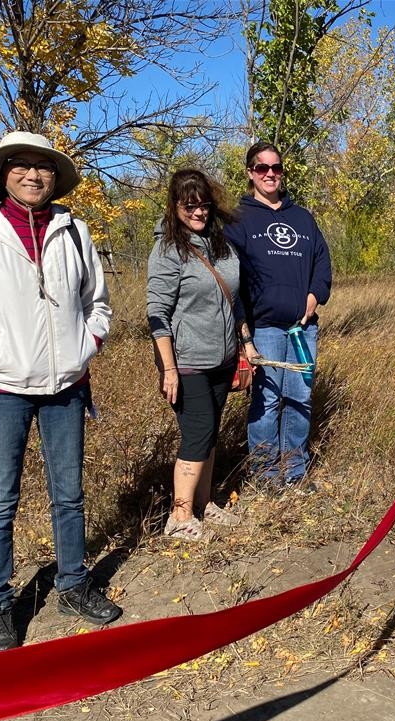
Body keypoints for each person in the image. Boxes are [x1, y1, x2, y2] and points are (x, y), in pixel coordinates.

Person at [0, 131, 122, 653]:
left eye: (44, 166)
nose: (33, 174)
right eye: (21, 165)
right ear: (3, 174)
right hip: (2, 389)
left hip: (66, 388)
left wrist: (86, 344)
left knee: (69, 494)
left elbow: (98, 303)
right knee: (0, 501)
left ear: (56, 177)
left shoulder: (73, 231)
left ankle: (73, 585)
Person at [147, 168, 251, 541]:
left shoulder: (220, 245)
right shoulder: (168, 250)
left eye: (204, 204)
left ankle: (204, 505)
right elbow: (157, 312)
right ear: (174, 206)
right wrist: (169, 369)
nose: (198, 212)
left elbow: (235, 301)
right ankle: (179, 517)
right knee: (198, 432)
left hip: (223, 358)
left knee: (210, 434)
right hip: (186, 361)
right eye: (189, 206)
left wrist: (246, 344)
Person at [225, 141, 332, 492]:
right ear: (250, 172)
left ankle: (294, 472)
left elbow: (322, 263)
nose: (270, 174)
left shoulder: (302, 218)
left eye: (276, 168)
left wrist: (314, 297)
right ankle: (265, 476)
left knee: (299, 397)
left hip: (302, 329)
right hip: (263, 328)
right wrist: (243, 334)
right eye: (262, 168)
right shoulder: (238, 220)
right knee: (267, 401)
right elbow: (229, 275)